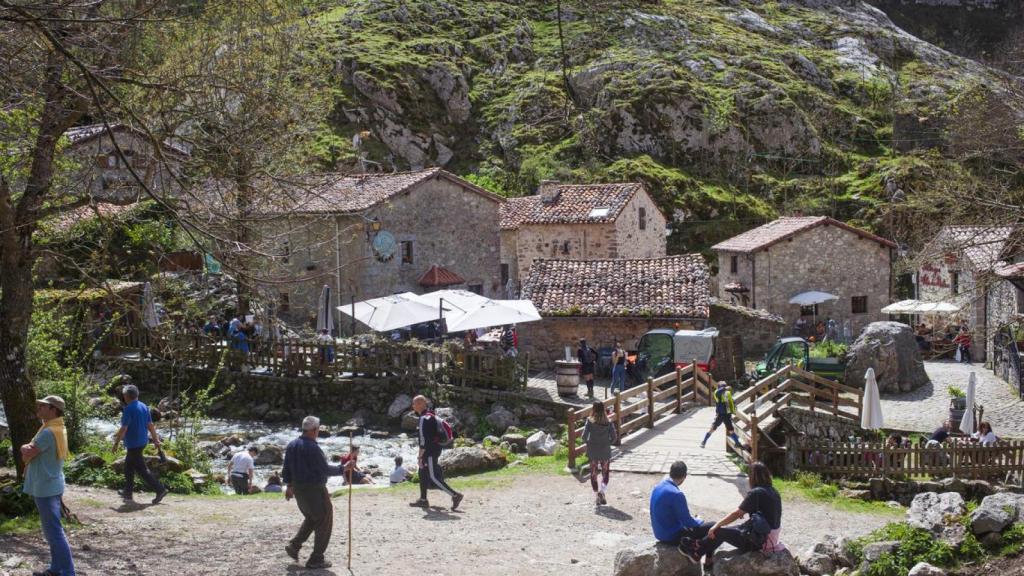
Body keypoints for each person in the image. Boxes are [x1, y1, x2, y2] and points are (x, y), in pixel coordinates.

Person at [682, 461, 785, 570]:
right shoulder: (773, 491)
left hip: (759, 541)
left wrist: (717, 524)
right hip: (769, 537)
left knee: (718, 531)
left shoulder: (757, 492)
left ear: (753, 477)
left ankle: (697, 552)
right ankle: (707, 562)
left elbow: (737, 513)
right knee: (723, 530)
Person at [21, 395, 76, 576]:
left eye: (43, 406)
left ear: (54, 410)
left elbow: (29, 452)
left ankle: (68, 572)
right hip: (52, 483)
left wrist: (23, 448)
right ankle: (56, 569)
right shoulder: (58, 428)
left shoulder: (47, 432)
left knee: (54, 532)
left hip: (45, 486)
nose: (39, 408)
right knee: (52, 531)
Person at [282, 415, 344, 569]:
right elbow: (324, 469)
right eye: (318, 430)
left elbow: (286, 469)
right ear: (314, 430)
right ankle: (316, 558)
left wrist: (289, 486)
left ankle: (295, 545)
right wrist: (343, 468)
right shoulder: (313, 448)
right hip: (315, 489)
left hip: (299, 489)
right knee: (324, 520)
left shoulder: (292, 445)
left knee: (311, 517)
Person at [111, 384, 168, 504]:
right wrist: (156, 439)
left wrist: (116, 443)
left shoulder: (129, 409)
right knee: (128, 467)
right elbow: (150, 425)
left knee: (141, 469)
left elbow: (124, 428)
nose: (123, 397)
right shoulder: (144, 406)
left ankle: (160, 489)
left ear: (127, 396)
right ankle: (128, 492)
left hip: (134, 443)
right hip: (142, 441)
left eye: (124, 395)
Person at [409, 395, 463, 510]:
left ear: (420, 404)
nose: (413, 406)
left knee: (433, 476)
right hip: (435, 449)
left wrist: (420, 456)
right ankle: (423, 500)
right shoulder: (431, 415)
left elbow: (423, 440)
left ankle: (455, 495)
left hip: (429, 452)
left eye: (414, 404)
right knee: (422, 472)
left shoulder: (424, 418)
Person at [650, 460, 710, 545]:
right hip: (671, 536)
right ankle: (697, 553)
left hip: (659, 533)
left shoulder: (657, 487)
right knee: (711, 526)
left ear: (670, 472)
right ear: (684, 476)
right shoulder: (677, 494)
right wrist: (700, 521)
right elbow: (688, 522)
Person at [582, 401, 617, 505]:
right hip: (605, 451)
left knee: (593, 474)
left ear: (593, 409)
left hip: (593, 452)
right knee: (605, 474)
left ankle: (597, 495)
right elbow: (614, 438)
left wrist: (589, 443)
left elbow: (583, 437)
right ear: (603, 409)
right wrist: (607, 443)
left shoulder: (589, 421)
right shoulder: (609, 422)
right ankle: (602, 492)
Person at [700, 382, 743, 449]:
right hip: (720, 415)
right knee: (712, 429)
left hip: (727, 415)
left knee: (731, 430)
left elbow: (731, 402)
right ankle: (704, 442)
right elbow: (718, 392)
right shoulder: (717, 393)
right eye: (723, 387)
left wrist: (733, 409)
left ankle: (737, 443)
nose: (725, 389)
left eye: (724, 386)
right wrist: (725, 388)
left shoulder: (726, 393)